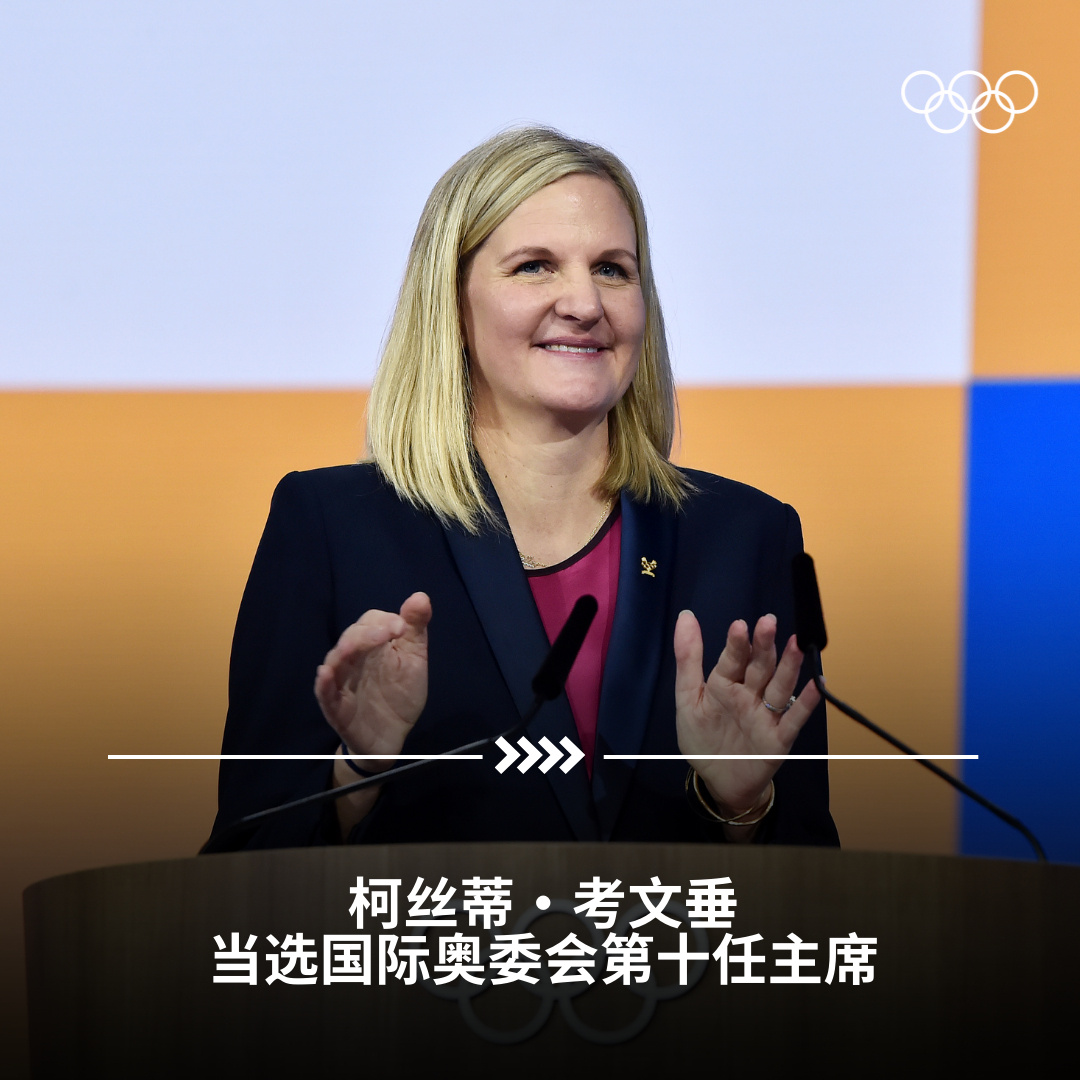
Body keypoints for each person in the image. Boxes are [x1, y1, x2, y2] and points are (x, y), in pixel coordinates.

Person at [207, 127, 839, 851]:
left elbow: (814, 875)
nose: (584, 303)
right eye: (535, 266)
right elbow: (244, 864)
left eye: (613, 269)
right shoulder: (332, 528)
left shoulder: (746, 536)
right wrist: (359, 773)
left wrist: (743, 804)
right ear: (453, 302)